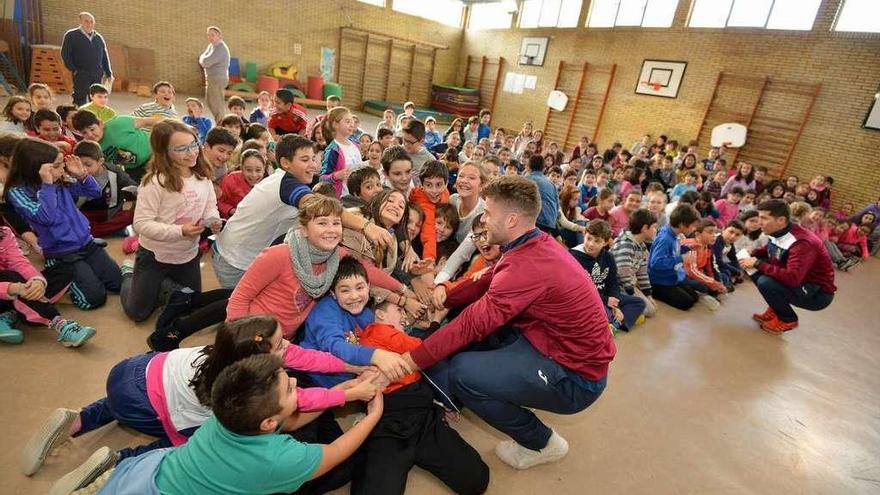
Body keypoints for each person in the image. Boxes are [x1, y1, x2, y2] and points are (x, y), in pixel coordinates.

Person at [402, 176, 616, 470]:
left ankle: (542, 443)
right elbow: (485, 281)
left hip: (576, 378)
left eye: (488, 214)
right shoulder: (532, 242)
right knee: (481, 344)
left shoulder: (528, 265)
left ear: (512, 219)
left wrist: (410, 360)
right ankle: (511, 386)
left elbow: (470, 325)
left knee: (462, 372)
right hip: (550, 344)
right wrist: (443, 297)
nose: (484, 220)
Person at [21, 315, 374, 482]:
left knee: (119, 398)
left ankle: (76, 420)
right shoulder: (241, 388)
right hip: (145, 403)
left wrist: (352, 365)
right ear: (260, 352)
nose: (288, 347)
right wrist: (345, 393)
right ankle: (118, 460)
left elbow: (306, 359)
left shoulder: (231, 346)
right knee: (192, 443)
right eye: (281, 344)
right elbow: (292, 408)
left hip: (132, 370)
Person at [48, 353, 384, 495]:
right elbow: (338, 450)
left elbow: (290, 420)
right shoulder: (279, 460)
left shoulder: (227, 414)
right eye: (290, 387)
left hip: (147, 473)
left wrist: (344, 391)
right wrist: (372, 416)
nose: (297, 383)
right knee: (345, 469)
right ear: (267, 422)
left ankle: (100, 479)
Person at [302, 259, 490, 495]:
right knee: (331, 470)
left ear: (368, 287)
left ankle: (417, 423)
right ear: (332, 292)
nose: (354, 296)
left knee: (477, 480)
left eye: (360, 288)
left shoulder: (366, 315)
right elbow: (336, 347)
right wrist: (378, 356)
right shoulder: (325, 313)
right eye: (345, 290)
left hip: (400, 403)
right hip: (324, 392)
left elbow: (396, 339)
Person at [212, 135, 393, 289]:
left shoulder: (289, 180)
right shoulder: (285, 184)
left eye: (313, 159)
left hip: (239, 255)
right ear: (285, 163)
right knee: (242, 316)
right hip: (233, 261)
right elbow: (322, 208)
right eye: (305, 160)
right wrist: (367, 227)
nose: (313, 165)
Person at [121, 120, 221, 322]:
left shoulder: (202, 177)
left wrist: (214, 220)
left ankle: (163, 286)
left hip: (188, 254)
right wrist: (180, 231)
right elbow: (141, 224)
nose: (191, 152)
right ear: (164, 152)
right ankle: (128, 274)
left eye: (193, 144)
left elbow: (210, 205)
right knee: (137, 313)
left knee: (189, 307)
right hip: (154, 256)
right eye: (181, 149)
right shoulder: (155, 182)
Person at [5, 138, 121, 310]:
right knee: (94, 299)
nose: (63, 168)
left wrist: (82, 175)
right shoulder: (17, 192)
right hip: (62, 252)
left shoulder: (61, 180)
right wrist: (47, 185)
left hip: (86, 243)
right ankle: (59, 271)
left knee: (117, 283)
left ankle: (85, 271)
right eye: (58, 165)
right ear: (38, 168)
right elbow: (46, 217)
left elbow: (95, 192)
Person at [739, 199, 836, 335]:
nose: (759, 222)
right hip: (801, 282)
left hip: (817, 294)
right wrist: (752, 254)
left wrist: (756, 263)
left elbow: (792, 278)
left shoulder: (802, 243)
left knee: (765, 281)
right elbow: (771, 249)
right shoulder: (779, 230)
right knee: (754, 269)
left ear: (781, 220)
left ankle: (787, 319)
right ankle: (776, 308)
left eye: (764, 218)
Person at [0, 224, 95, 346]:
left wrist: (37, 281)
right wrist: (14, 288)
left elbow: (18, 262)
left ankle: (13, 311)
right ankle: (59, 323)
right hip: (7, 285)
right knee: (9, 275)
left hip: (11, 291)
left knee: (63, 270)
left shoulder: (4, 232)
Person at [570, 220, 646, 333]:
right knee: (593, 312)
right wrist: (606, 301)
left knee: (639, 302)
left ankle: (616, 324)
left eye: (597, 241)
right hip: (587, 299)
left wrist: (615, 305)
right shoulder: (573, 256)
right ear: (584, 234)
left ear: (605, 243)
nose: (591, 244)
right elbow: (578, 290)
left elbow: (612, 282)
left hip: (606, 296)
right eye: (589, 238)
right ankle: (612, 320)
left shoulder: (608, 257)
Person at [73, 140, 137, 238]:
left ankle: (93, 231)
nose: (84, 169)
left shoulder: (114, 172)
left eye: (88, 165)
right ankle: (97, 231)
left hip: (110, 213)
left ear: (101, 161)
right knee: (74, 220)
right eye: (80, 165)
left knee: (130, 216)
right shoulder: (74, 174)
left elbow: (133, 187)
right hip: (87, 213)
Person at [71, 107, 153, 181]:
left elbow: (150, 121)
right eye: (84, 133)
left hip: (154, 156)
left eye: (92, 129)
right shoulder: (91, 147)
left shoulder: (118, 123)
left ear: (100, 123)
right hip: (132, 169)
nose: (90, 135)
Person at [648, 203, 701, 311]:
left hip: (671, 277)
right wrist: (681, 258)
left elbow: (673, 251)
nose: (694, 228)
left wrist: (687, 248)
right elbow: (655, 263)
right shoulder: (665, 238)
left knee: (695, 297)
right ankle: (653, 291)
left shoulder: (673, 233)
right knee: (687, 303)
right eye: (693, 225)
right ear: (682, 224)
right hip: (659, 280)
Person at [611, 208, 658, 318]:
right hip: (617, 285)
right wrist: (632, 293)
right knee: (648, 311)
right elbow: (622, 273)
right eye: (654, 227)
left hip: (628, 285)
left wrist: (648, 294)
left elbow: (642, 273)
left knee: (651, 309)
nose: (656, 230)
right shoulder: (626, 244)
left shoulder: (641, 246)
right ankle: (616, 310)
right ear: (645, 228)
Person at [60, 12, 112, 106]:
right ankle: (79, 118)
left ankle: (93, 118)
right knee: (79, 98)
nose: (89, 24)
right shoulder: (71, 35)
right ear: (80, 21)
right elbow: (65, 54)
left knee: (96, 98)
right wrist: (74, 69)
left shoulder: (98, 38)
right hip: (81, 73)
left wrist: (108, 73)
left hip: (96, 73)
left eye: (91, 22)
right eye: (86, 21)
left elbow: (104, 56)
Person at [408, 160, 450, 263]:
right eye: (429, 185)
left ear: (446, 183)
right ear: (421, 185)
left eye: (439, 185)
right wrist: (429, 259)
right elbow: (429, 234)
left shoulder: (445, 193)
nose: (434, 191)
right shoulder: (424, 206)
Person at [320, 107, 363, 197]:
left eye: (352, 121)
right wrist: (336, 176)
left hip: (357, 197)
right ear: (335, 125)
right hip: (341, 198)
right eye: (347, 121)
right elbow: (322, 179)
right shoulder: (333, 150)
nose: (352, 124)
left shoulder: (356, 146)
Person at [218, 149, 268, 218]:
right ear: (241, 168)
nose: (254, 175)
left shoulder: (267, 184)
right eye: (248, 170)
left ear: (264, 169)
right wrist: (232, 211)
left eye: (258, 170)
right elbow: (218, 202)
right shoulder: (231, 179)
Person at [198, 26, 231, 123]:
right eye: (208, 35)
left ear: (219, 36)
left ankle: (221, 123)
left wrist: (203, 60)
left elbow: (206, 62)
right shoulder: (212, 46)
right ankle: (220, 121)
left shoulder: (221, 48)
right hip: (211, 78)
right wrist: (203, 60)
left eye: (212, 35)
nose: (210, 37)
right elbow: (202, 58)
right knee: (210, 101)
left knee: (216, 102)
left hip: (218, 78)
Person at [525, 154, 559, 237]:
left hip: (536, 221)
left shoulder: (526, 180)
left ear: (528, 166)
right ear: (544, 169)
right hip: (550, 223)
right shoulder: (552, 184)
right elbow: (557, 206)